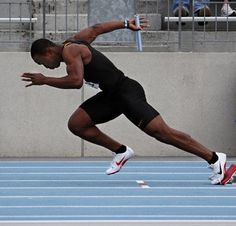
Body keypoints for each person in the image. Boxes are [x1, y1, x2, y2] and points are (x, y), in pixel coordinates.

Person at [21, 17, 226, 185]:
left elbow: (76, 82)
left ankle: (215, 159)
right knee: (77, 124)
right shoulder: (74, 41)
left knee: (162, 133)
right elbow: (96, 28)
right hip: (111, 95)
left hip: (126, 92)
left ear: (48, 52)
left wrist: (44, 80)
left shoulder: (70, 51)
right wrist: (126, 24)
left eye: (42, 62)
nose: (46, 67)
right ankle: (121, 151)